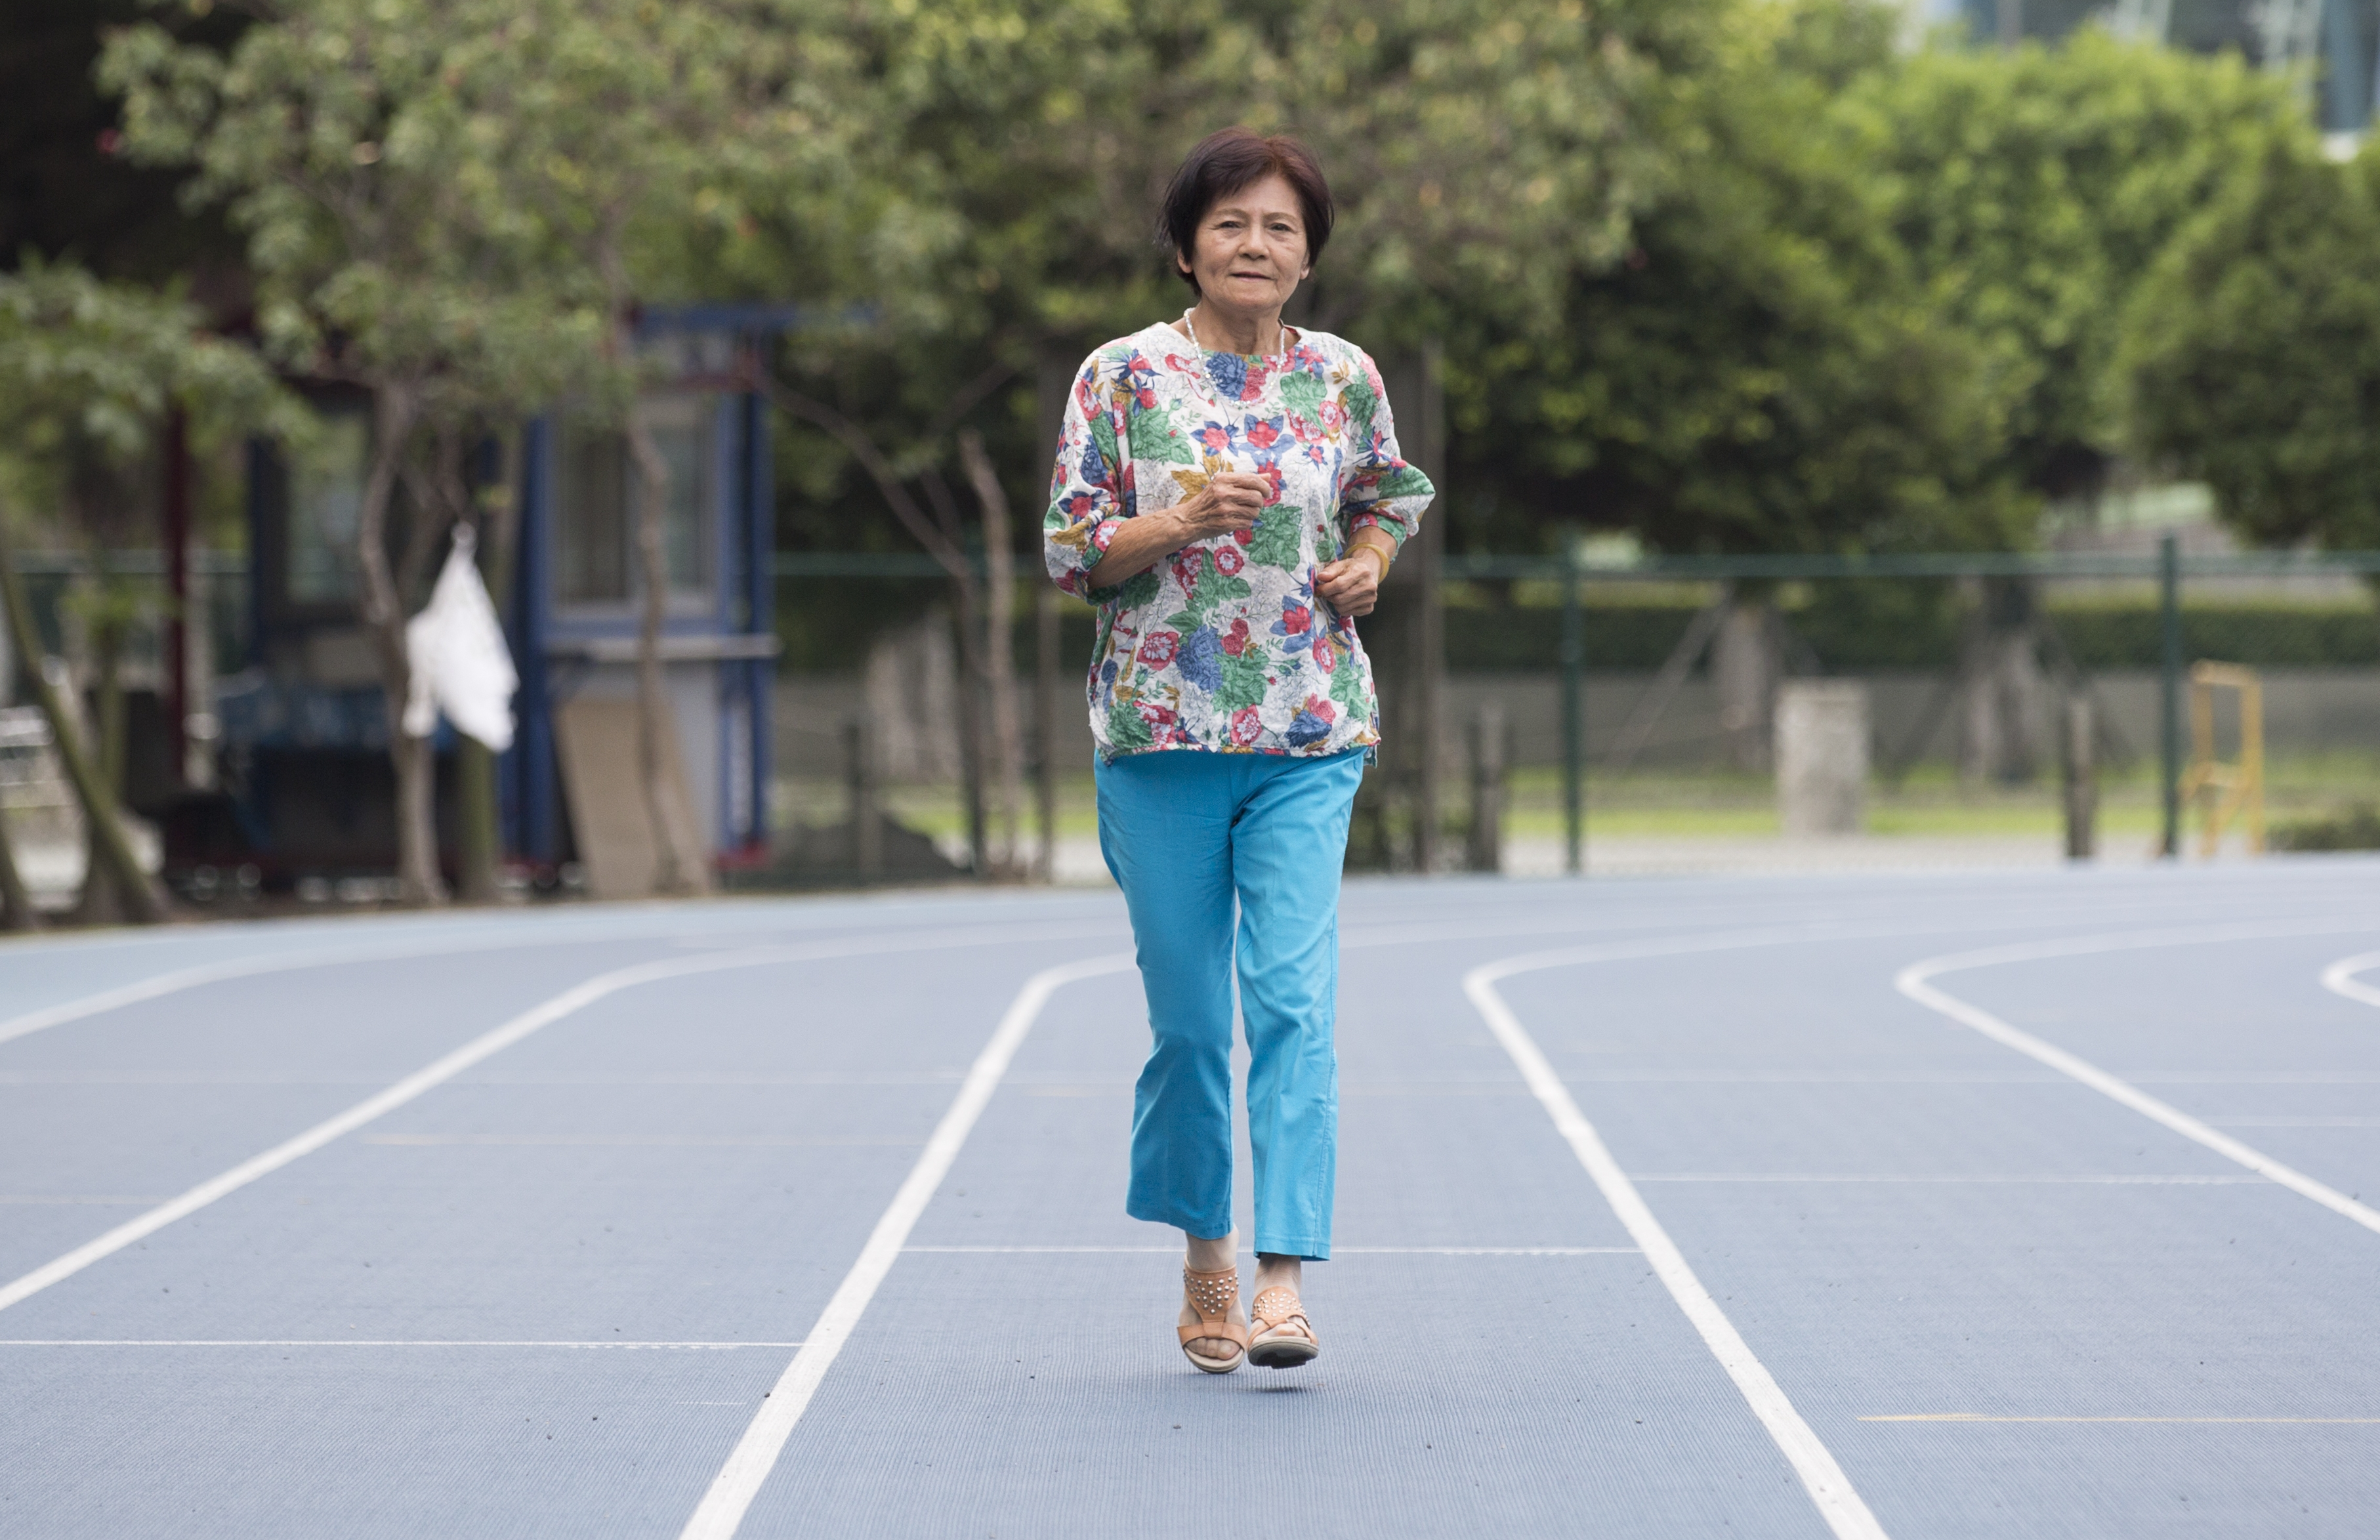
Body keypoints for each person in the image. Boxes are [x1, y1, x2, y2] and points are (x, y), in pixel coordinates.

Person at [1042, 127, 1435, 1373]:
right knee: (1188, 1021)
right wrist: (1177, 520)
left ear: (1308, 254)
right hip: (1158, 737)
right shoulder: (1119, 378)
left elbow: (1388, 495)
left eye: (1279, 227)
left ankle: (1281, 1279)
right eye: (1230, 225)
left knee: (1293, 1003)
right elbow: (1071, 553)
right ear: (1184, 248)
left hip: (1310, 731)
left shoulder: (1344, 377)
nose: (1255, 245)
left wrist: (1368, 564)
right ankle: (1205, 1250)